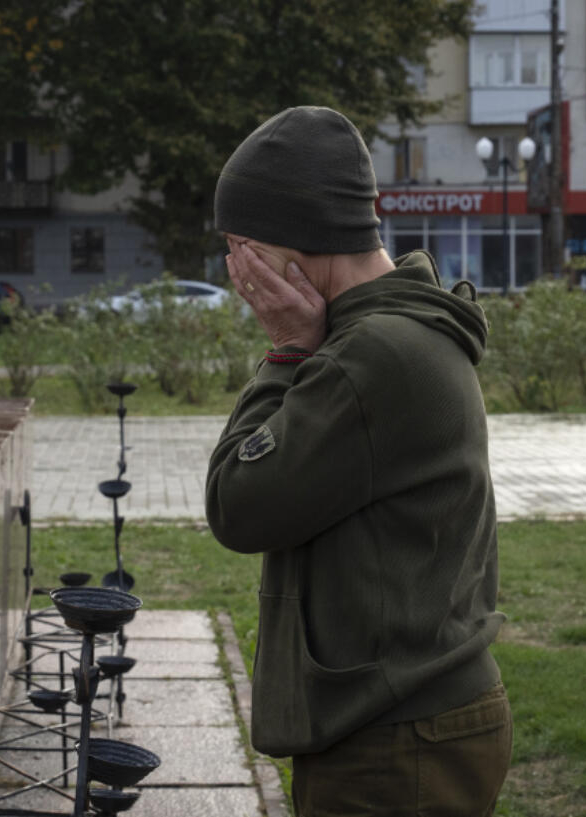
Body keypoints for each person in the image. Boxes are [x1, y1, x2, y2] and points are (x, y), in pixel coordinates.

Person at [205, 106, 512, 816]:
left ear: (298, 240)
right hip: (413, 721)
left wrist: (286, 348)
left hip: (395, 740)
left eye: (242, 244)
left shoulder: (370, 356)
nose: (235, 270)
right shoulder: (395, 331)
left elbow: (237, 502)